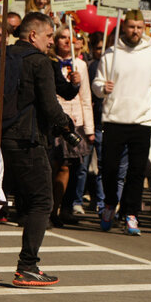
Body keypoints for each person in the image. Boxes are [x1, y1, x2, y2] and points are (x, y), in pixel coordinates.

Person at [0, 12, 77, 287]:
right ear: (33, 35)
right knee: (43, 201)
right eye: (48, 36)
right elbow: (49, 105)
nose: (51, 41)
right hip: (27, 141)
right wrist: (66, 126)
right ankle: (27, 267)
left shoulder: (0, 56)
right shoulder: (39, 61)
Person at [91, 10, 151, 234]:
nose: (135, 31)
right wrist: (101, 88)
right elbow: (97, 85)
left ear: (144, 28)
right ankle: (109, 204)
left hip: (142, 120)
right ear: (124, 27)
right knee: (109, 168)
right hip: (114, 118)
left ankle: (130, 213)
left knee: (137, 171)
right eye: (131, 27)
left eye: (139, 27)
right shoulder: (111, 54)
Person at [49, 27, 94, 228]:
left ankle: (58, 208)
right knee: (52, 165)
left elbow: (85, 97)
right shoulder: (50, 62)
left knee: (68, 165)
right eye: (63, 38)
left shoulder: (80, 65)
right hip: (55, 117)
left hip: (75, 120)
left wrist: (89, 128)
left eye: (70, 38)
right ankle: (47, 205)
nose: (67, 41)